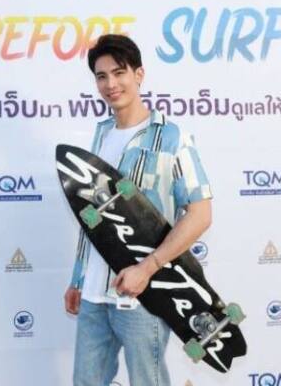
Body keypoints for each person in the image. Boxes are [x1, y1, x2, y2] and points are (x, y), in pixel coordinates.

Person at [64, 34, 213, 386]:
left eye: (119, 73)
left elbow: (200, 214)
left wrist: (147, 268)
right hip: (93, 296)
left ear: (139, 74)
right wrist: (78, 279)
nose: (111, 84)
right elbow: (94, 218)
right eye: (102, 76)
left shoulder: (171, 138)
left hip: (144, 297)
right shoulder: (101, 135)